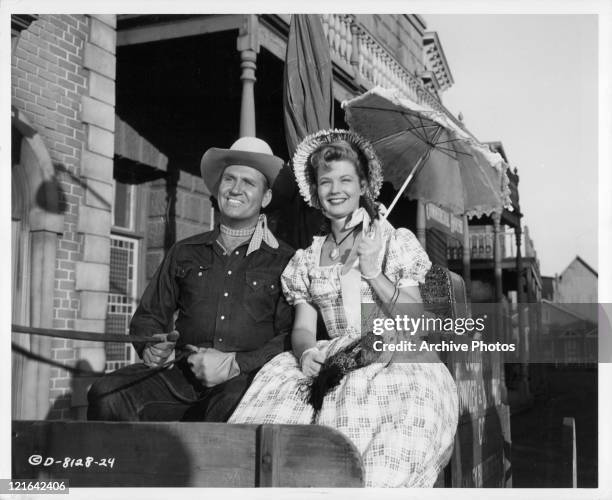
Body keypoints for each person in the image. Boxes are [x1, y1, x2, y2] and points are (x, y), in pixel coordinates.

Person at [228, 129, 459, 487]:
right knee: (271, 442)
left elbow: (415, 321)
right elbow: (304, 328)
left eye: (345, 179)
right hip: (335, 356)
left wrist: (374, 273)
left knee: (382, 452)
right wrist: (305, 354)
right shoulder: (306, 260)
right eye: (326, 181)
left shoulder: (392, 241)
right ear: (315, 192)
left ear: (364, 186)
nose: (335, 190)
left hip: (392, 356)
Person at [87, 137, 294, 422]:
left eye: (248, 183)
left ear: (265, 197)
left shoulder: (285, 260)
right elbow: (149, 316)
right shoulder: (184, 252)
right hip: (182, 375)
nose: (236, 189)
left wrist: (235, 364)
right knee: (106, 392)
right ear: (218, 188)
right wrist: (151, 346)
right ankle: (129, 467)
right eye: (229, 179)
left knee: (230, 407)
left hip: (246, 380)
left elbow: (290, 336)